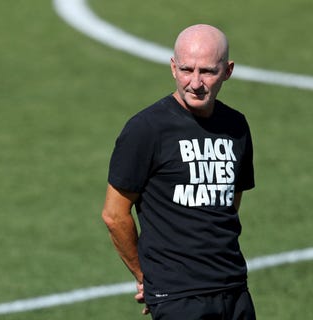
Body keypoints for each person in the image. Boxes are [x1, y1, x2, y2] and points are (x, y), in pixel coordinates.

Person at [101, 24, 256, 320]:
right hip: (177, 298)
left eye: (207, 72)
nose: (195, 82)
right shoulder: (146, 129)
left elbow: (228, 205)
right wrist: (145, 276)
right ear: (173, 68)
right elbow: (114, 214)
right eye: (187, 69)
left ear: (228, 71)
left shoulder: (236, 127)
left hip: (234, 288)